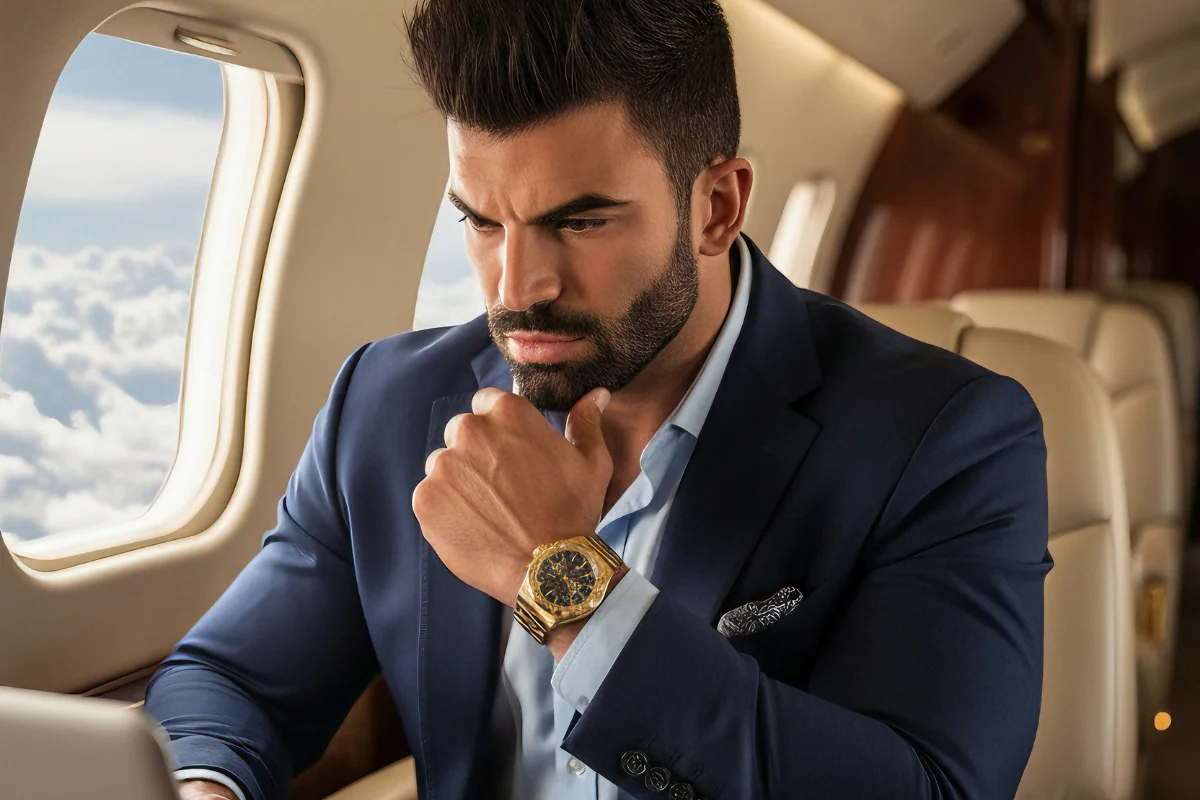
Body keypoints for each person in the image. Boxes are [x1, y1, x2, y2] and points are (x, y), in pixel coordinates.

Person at [146, 1, 1051, 798]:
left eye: (577, 222)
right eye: (481, 220)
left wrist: (565, 580)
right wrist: (207, 784)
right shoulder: (384, 404)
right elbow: (231, 682)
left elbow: (928, 788)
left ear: (717, 206)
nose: (517, 285)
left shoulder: (945, 439)